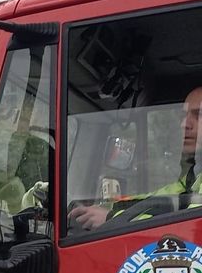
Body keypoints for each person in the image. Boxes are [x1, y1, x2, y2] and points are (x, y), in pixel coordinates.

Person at [68, 86, 202, 230]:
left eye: (199, 114)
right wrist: (113, 206)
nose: (184, 124)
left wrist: (112, 218)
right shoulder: (193, 176)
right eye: (183, 116)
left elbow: (191, 221)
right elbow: (161, 200)